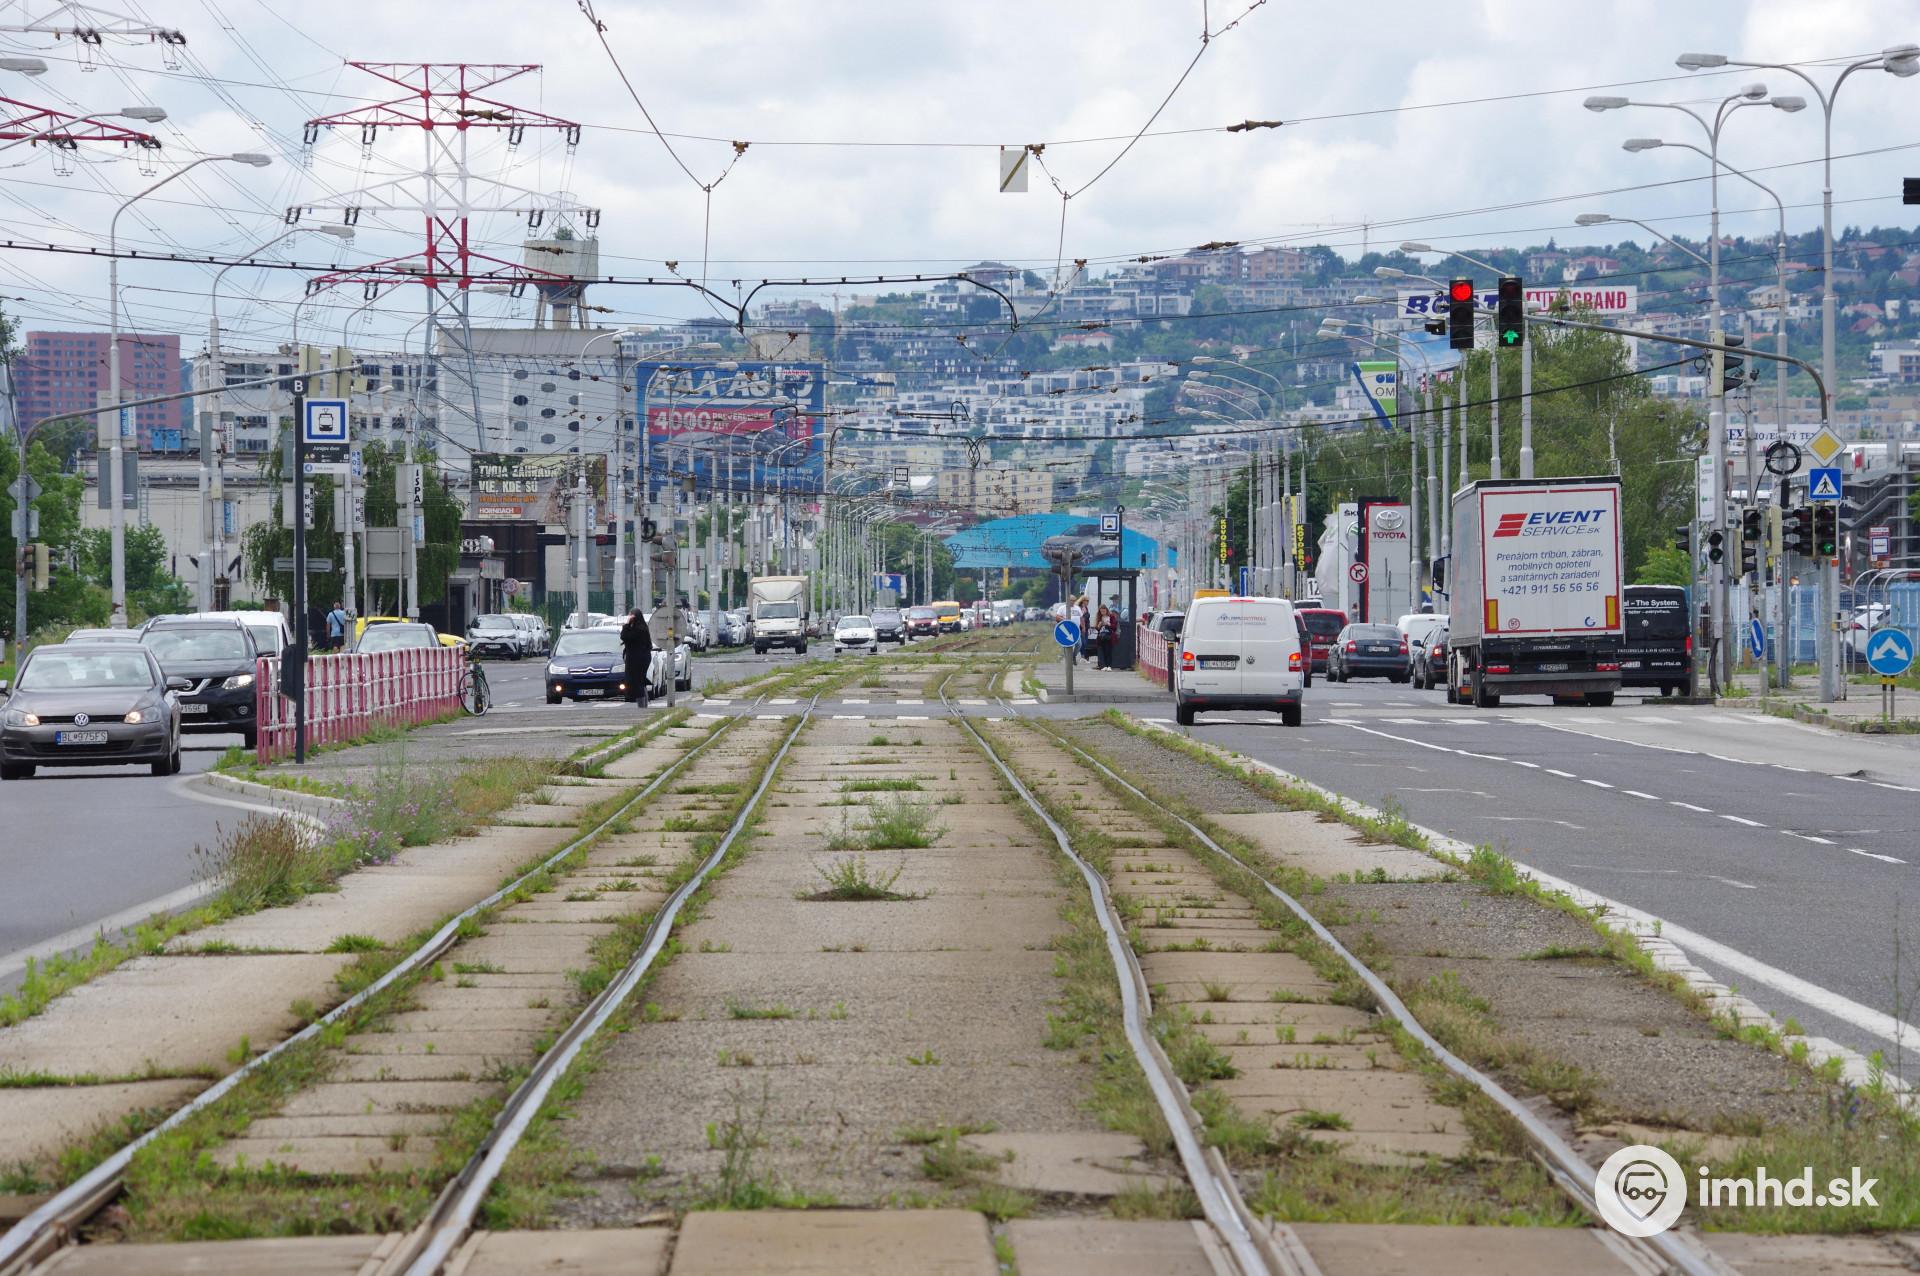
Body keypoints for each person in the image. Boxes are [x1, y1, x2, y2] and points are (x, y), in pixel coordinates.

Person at [620, 606, 654, 706]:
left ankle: (642, 707)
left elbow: (624, 636)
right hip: (642, 658)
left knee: (637, 682)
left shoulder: (638, 629)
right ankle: (643, 705)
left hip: (637, 659)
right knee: (640, 682)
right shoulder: (642, 628)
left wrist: (626, 624)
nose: (629, 618)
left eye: (631, 616)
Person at [1098, 604, 1119, 670]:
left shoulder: (1111, 616)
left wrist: (1108, 624)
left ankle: (1109, 665)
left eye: (1104, 611)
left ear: (1106, 610)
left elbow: (1114, 627)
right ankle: (1104, 666)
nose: (1103, 613)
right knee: (1103, 651)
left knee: (1108, 651)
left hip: (1109, 635)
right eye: (1101, 611)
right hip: (1101, 636)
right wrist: (1099, 625)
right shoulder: (1099, 617)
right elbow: (1097, 627)